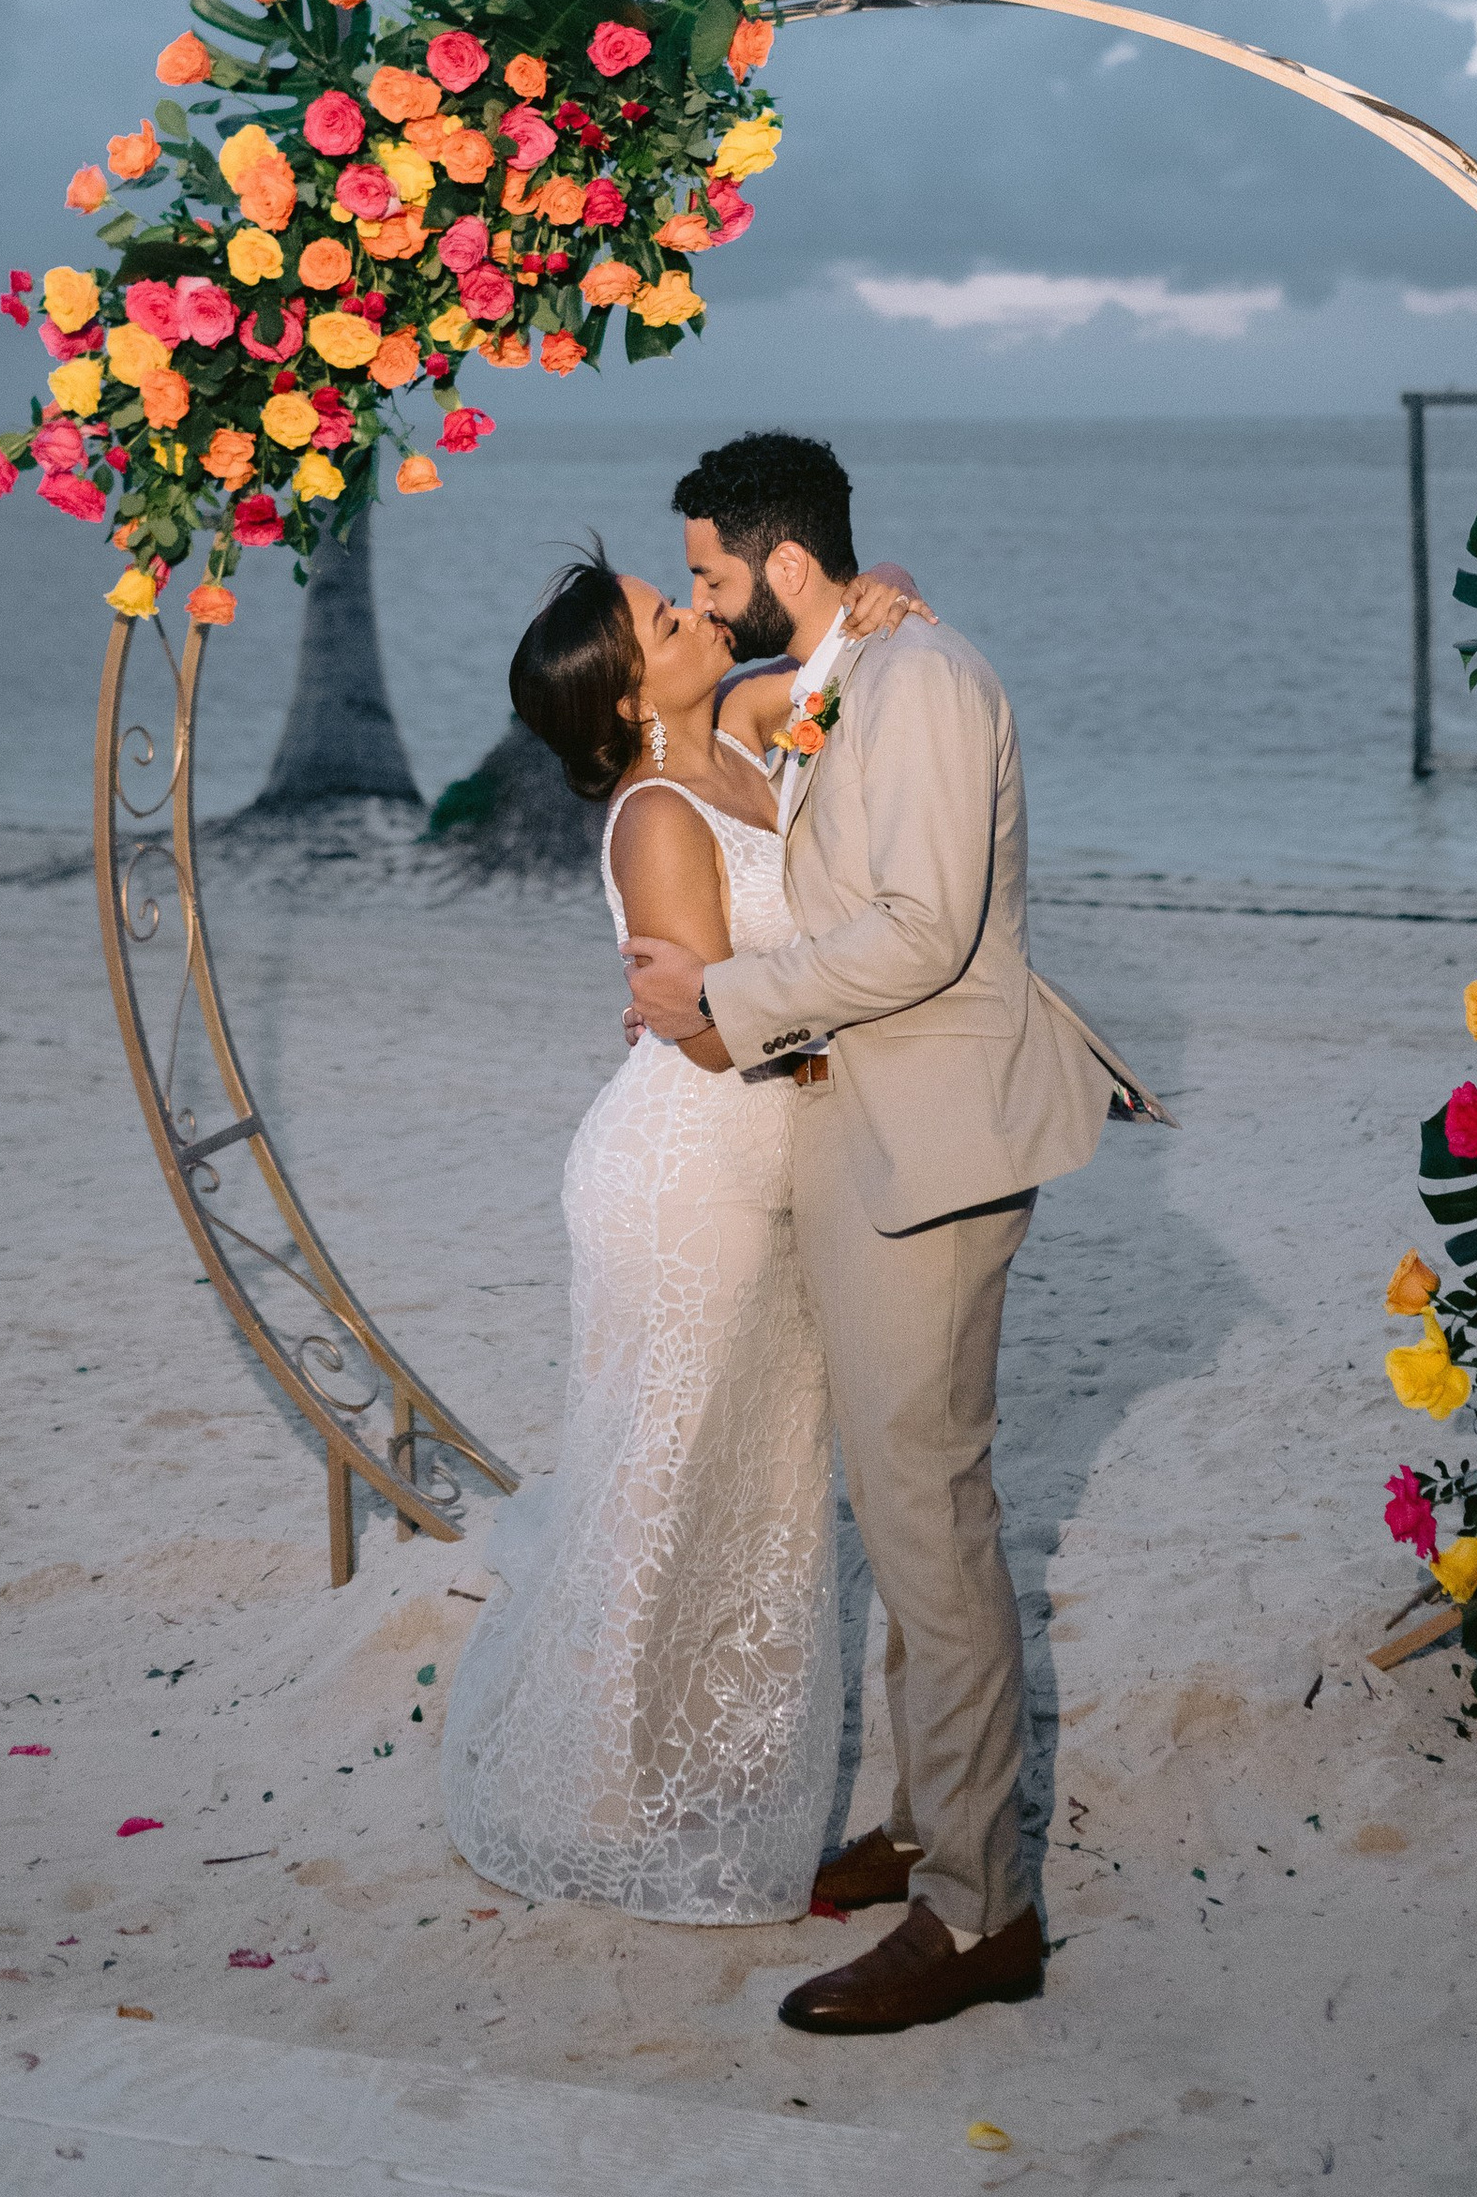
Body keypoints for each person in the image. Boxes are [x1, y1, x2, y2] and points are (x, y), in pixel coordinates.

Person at [625, 429, 1161, 2037]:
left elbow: (923, 931)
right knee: (906, 1505)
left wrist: (725, 1000)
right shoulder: (857, 664)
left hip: (930, 1152)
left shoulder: (917, 680)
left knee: (932, 1527)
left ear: (786, 562)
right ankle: (936, 1816)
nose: (709, 608)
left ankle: (979, 1910)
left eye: (715, 576)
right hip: (869, 1138)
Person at [437, 542, 929, 1922]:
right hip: (685, 1178)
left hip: (769, 1177)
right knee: (662, 1479)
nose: (698, 608)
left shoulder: (747, 736)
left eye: (682, 594)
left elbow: (824, 679)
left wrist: (868, 604)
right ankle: (596, 1793)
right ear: (626, 700)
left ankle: (690, 1765)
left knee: (755, 1478)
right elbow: (713, 1042)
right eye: (669, 618)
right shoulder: (659, 811)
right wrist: (856, 1026)